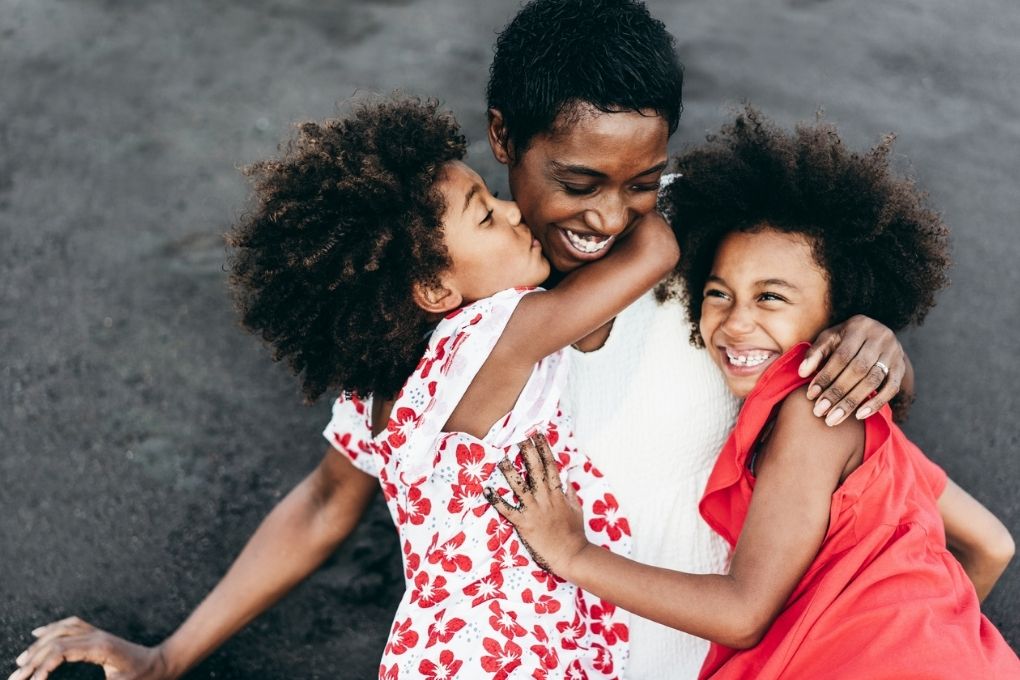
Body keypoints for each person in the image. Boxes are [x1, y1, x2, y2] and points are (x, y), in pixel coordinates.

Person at [10, 1, 914, 678]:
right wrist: (170, 656)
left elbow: (819, 384)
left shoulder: (718, 285)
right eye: (576, 180)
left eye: (644, 182)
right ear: (501, 138)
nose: (609, 214)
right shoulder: (420, 334)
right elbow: (328, 502)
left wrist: (873, 335)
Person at [489, 108, 1019, 679]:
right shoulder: (839, 416)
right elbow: (991, 546)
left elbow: (742, 614)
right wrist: (933, 630)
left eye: (770, 298)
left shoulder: (815, 413)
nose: (737, 322)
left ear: (837, 315)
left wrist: (571, 554)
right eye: (719, 294)